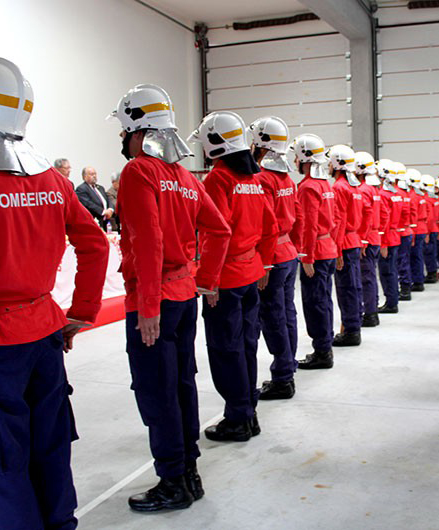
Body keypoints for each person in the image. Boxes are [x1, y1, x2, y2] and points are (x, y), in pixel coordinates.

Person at [0, 57, 109, 529]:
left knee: (0, 465)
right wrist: (82, 311)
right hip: (45, 337)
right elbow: (94, 244)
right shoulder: (52, 181)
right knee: (50, 450)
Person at [110, 84, 231, 512]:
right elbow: (219, 230)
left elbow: (147, 241)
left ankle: (172, 481)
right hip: (183, 295)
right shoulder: (185, 177)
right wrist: (207, 279)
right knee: (181, 384)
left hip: (155, 302)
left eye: (123, 133)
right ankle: (189, 473)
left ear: (137, 132)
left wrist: (146, 307)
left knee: (156, 393)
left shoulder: (139, 172)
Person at [189, 111, 277, 442]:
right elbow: (271, 227)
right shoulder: (252, 179)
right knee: (247, 345)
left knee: (226, 350)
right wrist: (264, 265)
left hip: (226, 278)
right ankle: (248, 411)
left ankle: (238, 417)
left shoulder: (218, 179)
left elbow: (216, 233)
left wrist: (208, 279)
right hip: (250, 272)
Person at [249, 116, 302, 400]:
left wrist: (264, 262)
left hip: (272, 256)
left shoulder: (262, 178)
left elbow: (265, 225)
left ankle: (283, 377)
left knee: (273, 318)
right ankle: (288, 367)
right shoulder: (286, 179)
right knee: (286, 313)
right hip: (288, 252)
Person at [293, 134, 338, 370]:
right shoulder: (325, 185)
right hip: (328, 248)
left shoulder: (308, 187)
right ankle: (325, 345)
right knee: (325, 300)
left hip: (317, 253)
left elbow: (308, 226)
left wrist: (306, 256)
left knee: (315, 302)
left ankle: (322, 351)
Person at [329, 145, 365, 348]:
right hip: (354, 240)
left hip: (345, 242)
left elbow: (339, 220)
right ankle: (353, 324)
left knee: (346, 288)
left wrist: (337, 248)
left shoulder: (339, 188)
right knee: (354, 285)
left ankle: (351, 330)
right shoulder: (354, 187)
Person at [356, 151, 382, 327]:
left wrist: (362, 240)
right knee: (371, 276)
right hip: (374, 237)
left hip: (368, 238)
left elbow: (365, 216)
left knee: (366, 277)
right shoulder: (373, 189)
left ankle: (370, 313)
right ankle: (372, 309)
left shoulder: (364, 189)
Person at [377, 160, 402, 315]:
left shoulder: (383, 195)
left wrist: (383, 243)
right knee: (391, 270)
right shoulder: (396, 194)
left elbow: (384, 218)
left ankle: (391, 302)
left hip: (387, 237)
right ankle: (393, 299)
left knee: (387, 272)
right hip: (394, 235)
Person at [406, 169, 429, 293]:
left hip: (416, 228)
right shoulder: (420, 196)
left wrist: (412, 234)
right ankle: (419, 279)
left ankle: (416, 281)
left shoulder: (412, 197)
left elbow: (412, 216)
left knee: (413, 257)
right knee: (418, 256)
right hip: (421, 227)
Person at [394, 163, 414, 299]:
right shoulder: (405, 193)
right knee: (404, 260)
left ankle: (405, 289)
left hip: (399, 232)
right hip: (406, 231)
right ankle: (406, 286)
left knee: (399, 262)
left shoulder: (396, 193)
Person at [76, 166, 115, 231]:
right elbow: (88, 204)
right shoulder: (81, 189)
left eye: (95, 174)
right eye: (91, 174)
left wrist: (110, 209)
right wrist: (103, 212)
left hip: (106, 220)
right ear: (84, 176)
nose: (94, 176)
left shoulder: (100, 188)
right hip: (94, 220)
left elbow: (108, 199)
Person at [423, 175, 439, 284]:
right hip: (435, 227)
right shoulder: (434, 199)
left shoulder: (426, 199)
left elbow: (429, 218)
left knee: (428, 253)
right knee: (432, 252)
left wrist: (427, 232)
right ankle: (433, 272)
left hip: (429, 229)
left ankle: (432, 273)